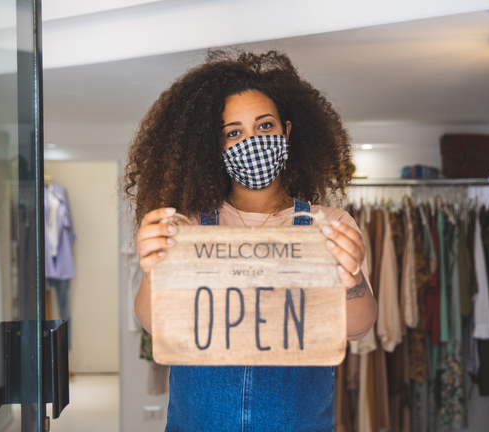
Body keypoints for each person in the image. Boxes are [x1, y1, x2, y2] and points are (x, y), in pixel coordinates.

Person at [123, 50, 378, 432]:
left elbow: (359, 328)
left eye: (264, 126)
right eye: (233, 132)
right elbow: (156, 326)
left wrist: (353, 276)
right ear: (217, 146)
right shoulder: (187, 225)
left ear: (286, 133)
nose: (252, 141)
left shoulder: (331, 226)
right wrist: (152, 269)